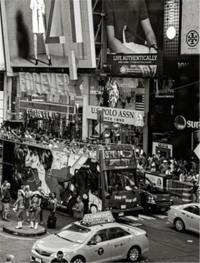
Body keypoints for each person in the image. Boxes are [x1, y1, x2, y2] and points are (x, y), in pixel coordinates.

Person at [30, 0, 51, 65]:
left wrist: (41, 10)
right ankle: (36, 58)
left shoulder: (42, 0)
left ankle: (49, 58)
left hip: (40, 20)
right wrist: (36, 8)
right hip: (35, 20)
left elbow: (44, 11)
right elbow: (31, 7)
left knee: (45, 39)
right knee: (35, 39)